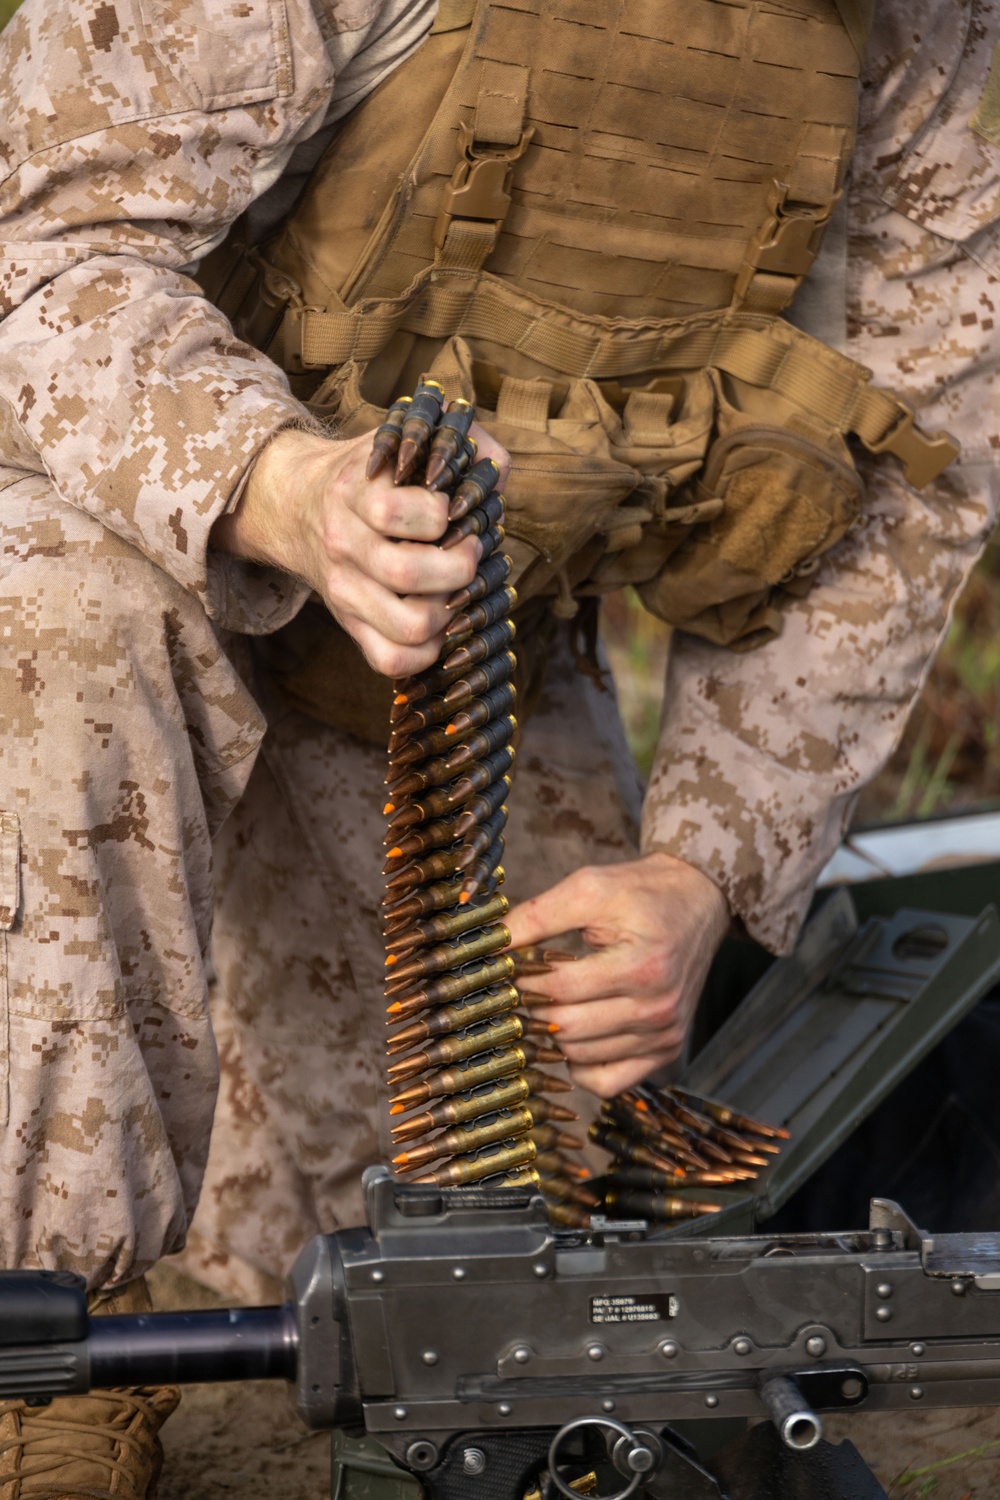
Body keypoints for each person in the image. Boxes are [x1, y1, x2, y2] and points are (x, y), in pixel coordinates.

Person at [0, 0, 997, 1490]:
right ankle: (37, 1367)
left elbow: (919, 464)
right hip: (104, 569)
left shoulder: (915, 21)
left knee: (493, 1299)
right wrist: (278, 485)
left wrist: (700, 875)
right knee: (58, 631)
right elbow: (39, 260)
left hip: (449, 670)